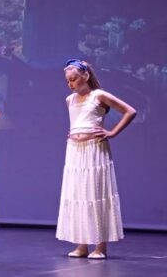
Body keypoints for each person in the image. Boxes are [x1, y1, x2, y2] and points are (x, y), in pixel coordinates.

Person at [57, 59, 136, 260]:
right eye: (68, 81)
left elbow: (130, 111)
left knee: (96, 192)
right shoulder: (70, 100)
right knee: (78, 194)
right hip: (74, 150)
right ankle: (81, 245)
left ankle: (100, 246)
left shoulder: (98, 95)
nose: (71, 84)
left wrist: (113, 132)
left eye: (74, 79)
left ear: (86, 76)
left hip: (95, 149)